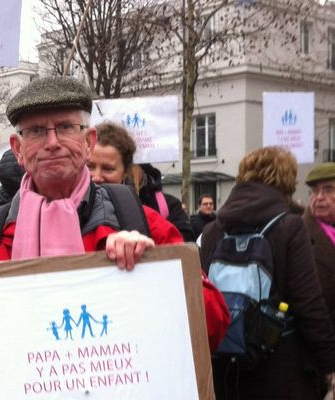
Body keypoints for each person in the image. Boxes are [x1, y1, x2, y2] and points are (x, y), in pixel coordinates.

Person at [0, 76, 230, 400]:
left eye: (64, 127)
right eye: (35, 131)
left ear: (88, 141)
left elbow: (211, 323)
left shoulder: (140, 222)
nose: (52, 142)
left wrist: (155, 271)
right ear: (18, 150)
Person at [199, 147, 335, 399]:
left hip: (225, 371)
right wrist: (329, 364)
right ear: (285, 183)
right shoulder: (290, 227)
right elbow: (309, 306)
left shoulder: (212, 231)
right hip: (280, 370)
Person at [88, 122, 196, 241]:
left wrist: (146, 252)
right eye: (89, 167)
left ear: (125, 172)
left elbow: (181, 254)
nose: (96, 177)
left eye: (108, 169)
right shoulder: (66, 213)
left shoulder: (150, 221)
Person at [303, 163, 335, 331]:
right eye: (315, 191)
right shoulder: (299, 233)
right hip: (321, 342)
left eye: (328, 190)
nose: (319, 197)